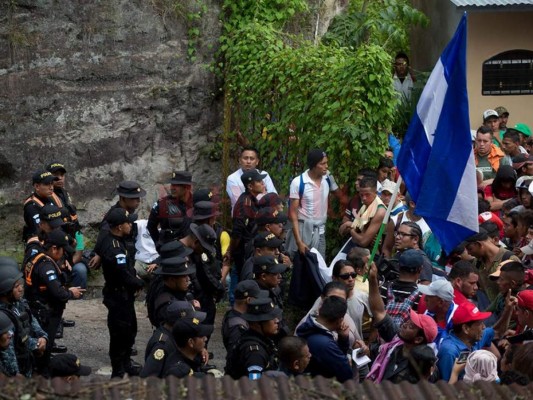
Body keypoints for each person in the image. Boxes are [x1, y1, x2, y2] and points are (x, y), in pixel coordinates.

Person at [366, 261, 438, 383]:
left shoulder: (423, 367)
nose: (404, 324)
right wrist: (373, 279)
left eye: (410, 326)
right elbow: (379, 312)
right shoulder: (396, 340)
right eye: (408, 321)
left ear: (418, 339)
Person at [24, 230, 84, 375]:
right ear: (54, 248)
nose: (64, 254)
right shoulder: (45, 265)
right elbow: (58, 293)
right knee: (44, 349)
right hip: (45, 313)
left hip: (38, 308)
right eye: (62, 250)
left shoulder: (39, 257)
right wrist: (71, 293)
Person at [95, 208, 144, 378]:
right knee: (119, 333)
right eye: (127, 223)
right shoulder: (114, 247)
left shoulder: (118, 240)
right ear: (118, 227)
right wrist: (140, 283)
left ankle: (126, 363)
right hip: (118, 295)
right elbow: (123, 274)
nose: (130, 225)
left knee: (130, 330)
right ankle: (118, 369)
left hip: (124, 295)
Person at [287, 149, 340, 259]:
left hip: (320, 231)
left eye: (326, 162)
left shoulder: (327, 178)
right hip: (303, 231)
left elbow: (338, 195)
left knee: (319, 267)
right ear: (313, 165)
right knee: (300, 265)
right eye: (322, 163)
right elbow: (293, 214)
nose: (326, 166)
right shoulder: (298, 182)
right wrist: (299, 241)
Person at [0, 261, 47, 377]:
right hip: (15, 369)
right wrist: (15, 374)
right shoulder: (3, 315)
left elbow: (31, 320)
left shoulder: (18, 302)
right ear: (6, 290)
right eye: (16, 286)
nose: (21, 289)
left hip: (27, 360)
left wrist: (43, 337)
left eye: (21, 284)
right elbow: (8, 351)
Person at [46, 162, 87, 290]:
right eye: (55, 175)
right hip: (53, 253)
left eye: (62, 175)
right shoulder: (45, 199)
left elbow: (76, 228)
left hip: (70, 249)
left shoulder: (66, 196)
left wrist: (76, 254)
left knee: (81, 270)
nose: (59, 178)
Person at [141, 300, 207, 378]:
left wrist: (199, 348)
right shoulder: (162, 346)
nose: (193, 323)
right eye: (190, 320)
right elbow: (148, 378)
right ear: (179, 322)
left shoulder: (174, 334)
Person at [90, 180, 146, 269]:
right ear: (123, 198)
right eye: (134, 198)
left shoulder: (129, 211)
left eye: (138, 197)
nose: (138, 201)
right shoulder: (114, 215)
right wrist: (99, 254)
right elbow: (104, 234)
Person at [296, 296, 354, 382]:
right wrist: (347, 361)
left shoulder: (308, 326)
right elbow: (346, 374)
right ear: (340, 320)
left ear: (319, 310)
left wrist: (343, 338)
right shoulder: (324, 344)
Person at [437, 302, 496, 382]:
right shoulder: (449, 352)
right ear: (466, 329)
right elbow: (448, 389)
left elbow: (496, 331)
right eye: (479, 323)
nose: (484, 327)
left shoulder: (474, 338)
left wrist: (508, 310)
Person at [225, 298, 282, 380]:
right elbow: (254, 384)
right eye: (271, 318)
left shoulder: (257, 337)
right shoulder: (255, 353)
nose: (277, 321)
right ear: (257, 323)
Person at [465, 228, 519, 304]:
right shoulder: (476, 263)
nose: (468, 253)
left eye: (470, 249)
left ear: (479, 244)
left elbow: (519, 292)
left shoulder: (510, 259)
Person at [230, 169, 266, 281]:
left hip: (250, 249)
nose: (263, 184)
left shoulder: (252, 201)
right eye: (259, 181)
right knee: (243, 280)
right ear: (250, 186)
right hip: (244, 251)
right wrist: (231, 251)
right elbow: (237, 233)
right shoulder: (244, 205)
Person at [338, 176, 385, 253]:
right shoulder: (365, 205)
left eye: (367, 195)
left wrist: (350, 227)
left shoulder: (380, 211)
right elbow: (341, 231)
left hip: (369, 254)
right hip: (356, 249)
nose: (364, 198)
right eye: (361, 195)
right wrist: (351, 226)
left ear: (376, 193)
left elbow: (363, 241)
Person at [147, 171, 193, 246]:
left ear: (187, 187)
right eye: (172, 184)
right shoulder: (162, 204)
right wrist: (159, 244)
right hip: (171, 252)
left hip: (192, 251)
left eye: (176, 185)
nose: (172, 188)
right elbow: (151, 226)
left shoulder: (196, 203)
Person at [226, 146, 278, 211]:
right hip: (242, 217)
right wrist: (264, 196)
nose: (248, 161)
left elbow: (274, 197)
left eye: (252, 159)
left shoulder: (264, 175)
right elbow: (239, 201)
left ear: (257, 161)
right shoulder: (232, 178)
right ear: (239, 160)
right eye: (245, 158)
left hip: (265, 216)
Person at [221, 280, 267, 352]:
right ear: (249, 300)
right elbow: (235, 353)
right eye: (257, 299)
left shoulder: (232, 314)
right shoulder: (237, 327)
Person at [22, 170, 60, 241]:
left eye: (52, 184)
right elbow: (39, 231)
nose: (51, 187)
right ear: (37, 186)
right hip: (40, 243)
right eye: (47, 184)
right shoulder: (31, 206)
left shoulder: (50, 197)